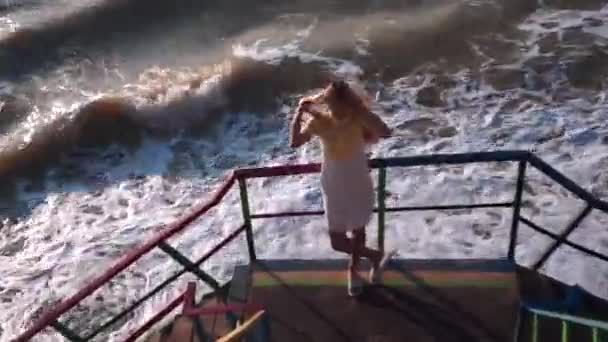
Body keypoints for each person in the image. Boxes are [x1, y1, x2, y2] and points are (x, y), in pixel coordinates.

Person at [289, 79, 393, 296]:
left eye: (340, 104)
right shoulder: (320, 122)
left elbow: (385, 132)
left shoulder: (358, 117)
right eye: (332, 104)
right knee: (337, 241)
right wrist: (299, 115)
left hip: (357, 180)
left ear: (349, 103)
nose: (336, 108)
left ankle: (353, 273)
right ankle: (374, 256)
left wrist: (363, 113)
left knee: (358, 230)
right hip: (333, 183)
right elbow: (295, 142)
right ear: (327, 102)